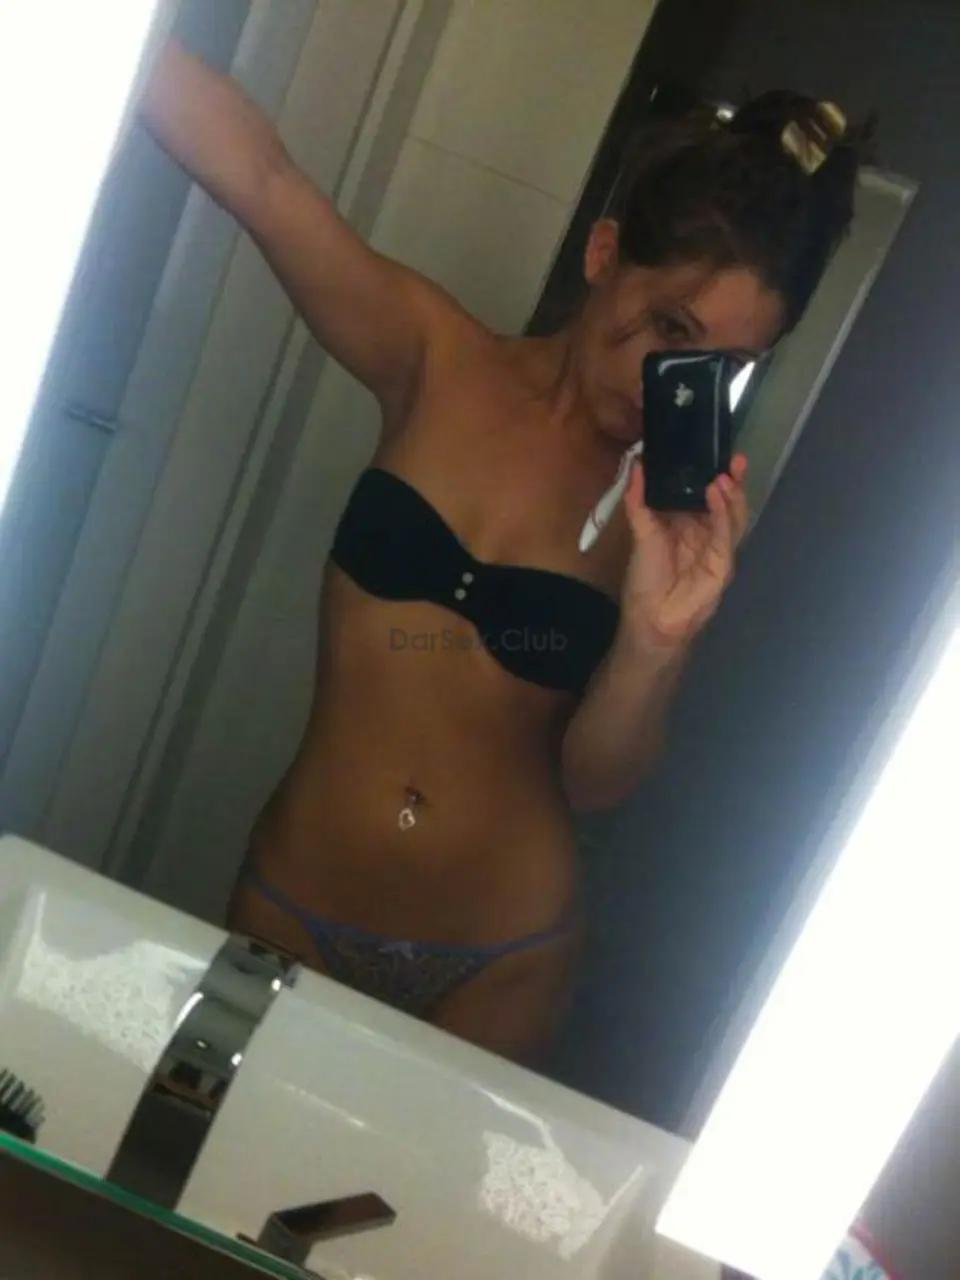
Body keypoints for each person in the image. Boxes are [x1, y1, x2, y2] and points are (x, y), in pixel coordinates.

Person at [142, 42, 866, 1063]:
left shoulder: (665, 524)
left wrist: (656, 644)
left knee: (392, 1182)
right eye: (671, 326)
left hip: (499, 959)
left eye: (725, 365)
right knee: (184, 1143)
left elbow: (596, 782)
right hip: (292, 900)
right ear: (604, 254)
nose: (676, 383)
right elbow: (262, 181)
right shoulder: (436, 360)